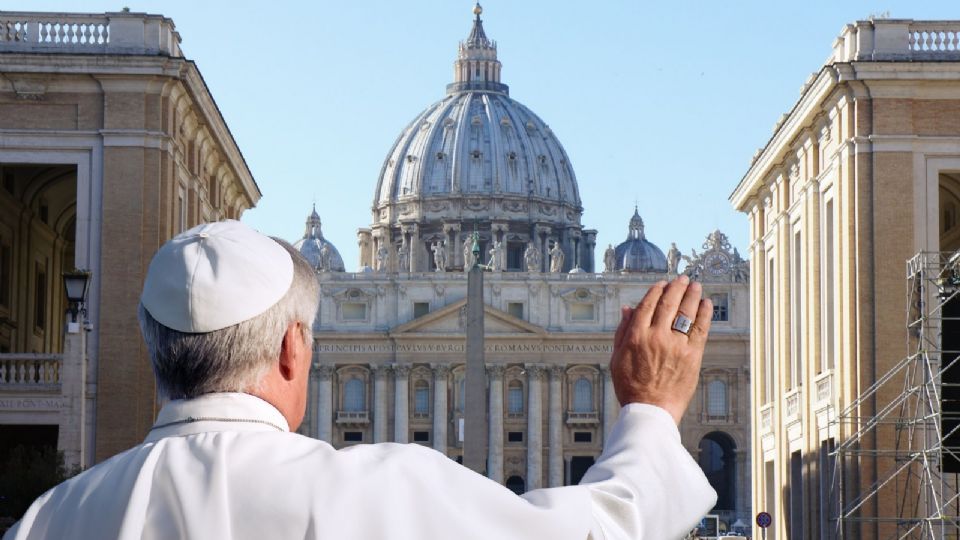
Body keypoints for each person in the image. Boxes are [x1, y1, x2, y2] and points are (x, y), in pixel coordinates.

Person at [5, 220, 716, 540]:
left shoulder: (48, 520)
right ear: (293, 349)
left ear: (157, 352)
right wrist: (651, 409)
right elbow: (600, 531)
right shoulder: (382, 492)